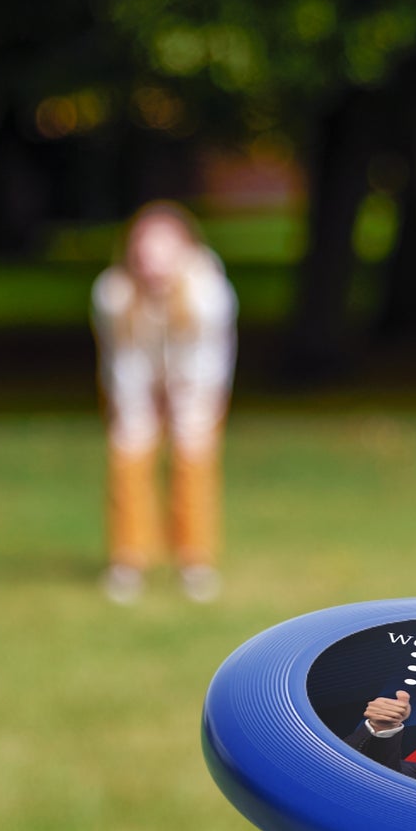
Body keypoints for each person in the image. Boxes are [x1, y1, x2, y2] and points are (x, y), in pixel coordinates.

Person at [91, 201, 237, 604]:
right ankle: (128, 560)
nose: (152, 261)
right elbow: (122, 360)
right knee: (128, 457)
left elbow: (209, 360)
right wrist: (138, 407)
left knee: (193, 461)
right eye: (144, 249)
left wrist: (185, 402)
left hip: (196, 386)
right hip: (135, 384)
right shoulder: (113, 293)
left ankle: (195, 561)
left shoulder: (209, 292)